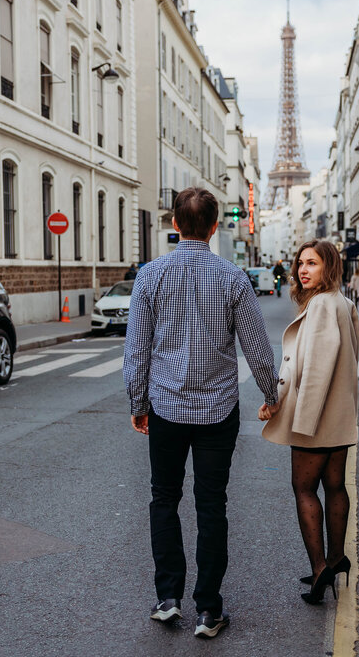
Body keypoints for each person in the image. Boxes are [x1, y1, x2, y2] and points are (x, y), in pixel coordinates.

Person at [123, 187, 280, 639]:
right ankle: (209, 609)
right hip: (217, 411)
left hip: (166, 408)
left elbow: (136, 351)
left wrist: (138, 404)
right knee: (212, 505)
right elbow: (257, 349)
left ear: (174, 224)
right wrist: (270, 395)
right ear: (215, 227)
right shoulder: (233, 278)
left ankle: (168, 597)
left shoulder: (150, 276)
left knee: (164, 498)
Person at [260, 240, 359, 606]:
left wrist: (290, 412)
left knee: (304, 489)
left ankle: (320, 570)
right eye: (300, 263)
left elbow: (311, 369)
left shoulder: (319, 305)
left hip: (314, 417)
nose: (303, 270)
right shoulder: (343, 302)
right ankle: (337, 559)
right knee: (335, 487)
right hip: (339, 415)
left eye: (312, 264)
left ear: (328, 267)